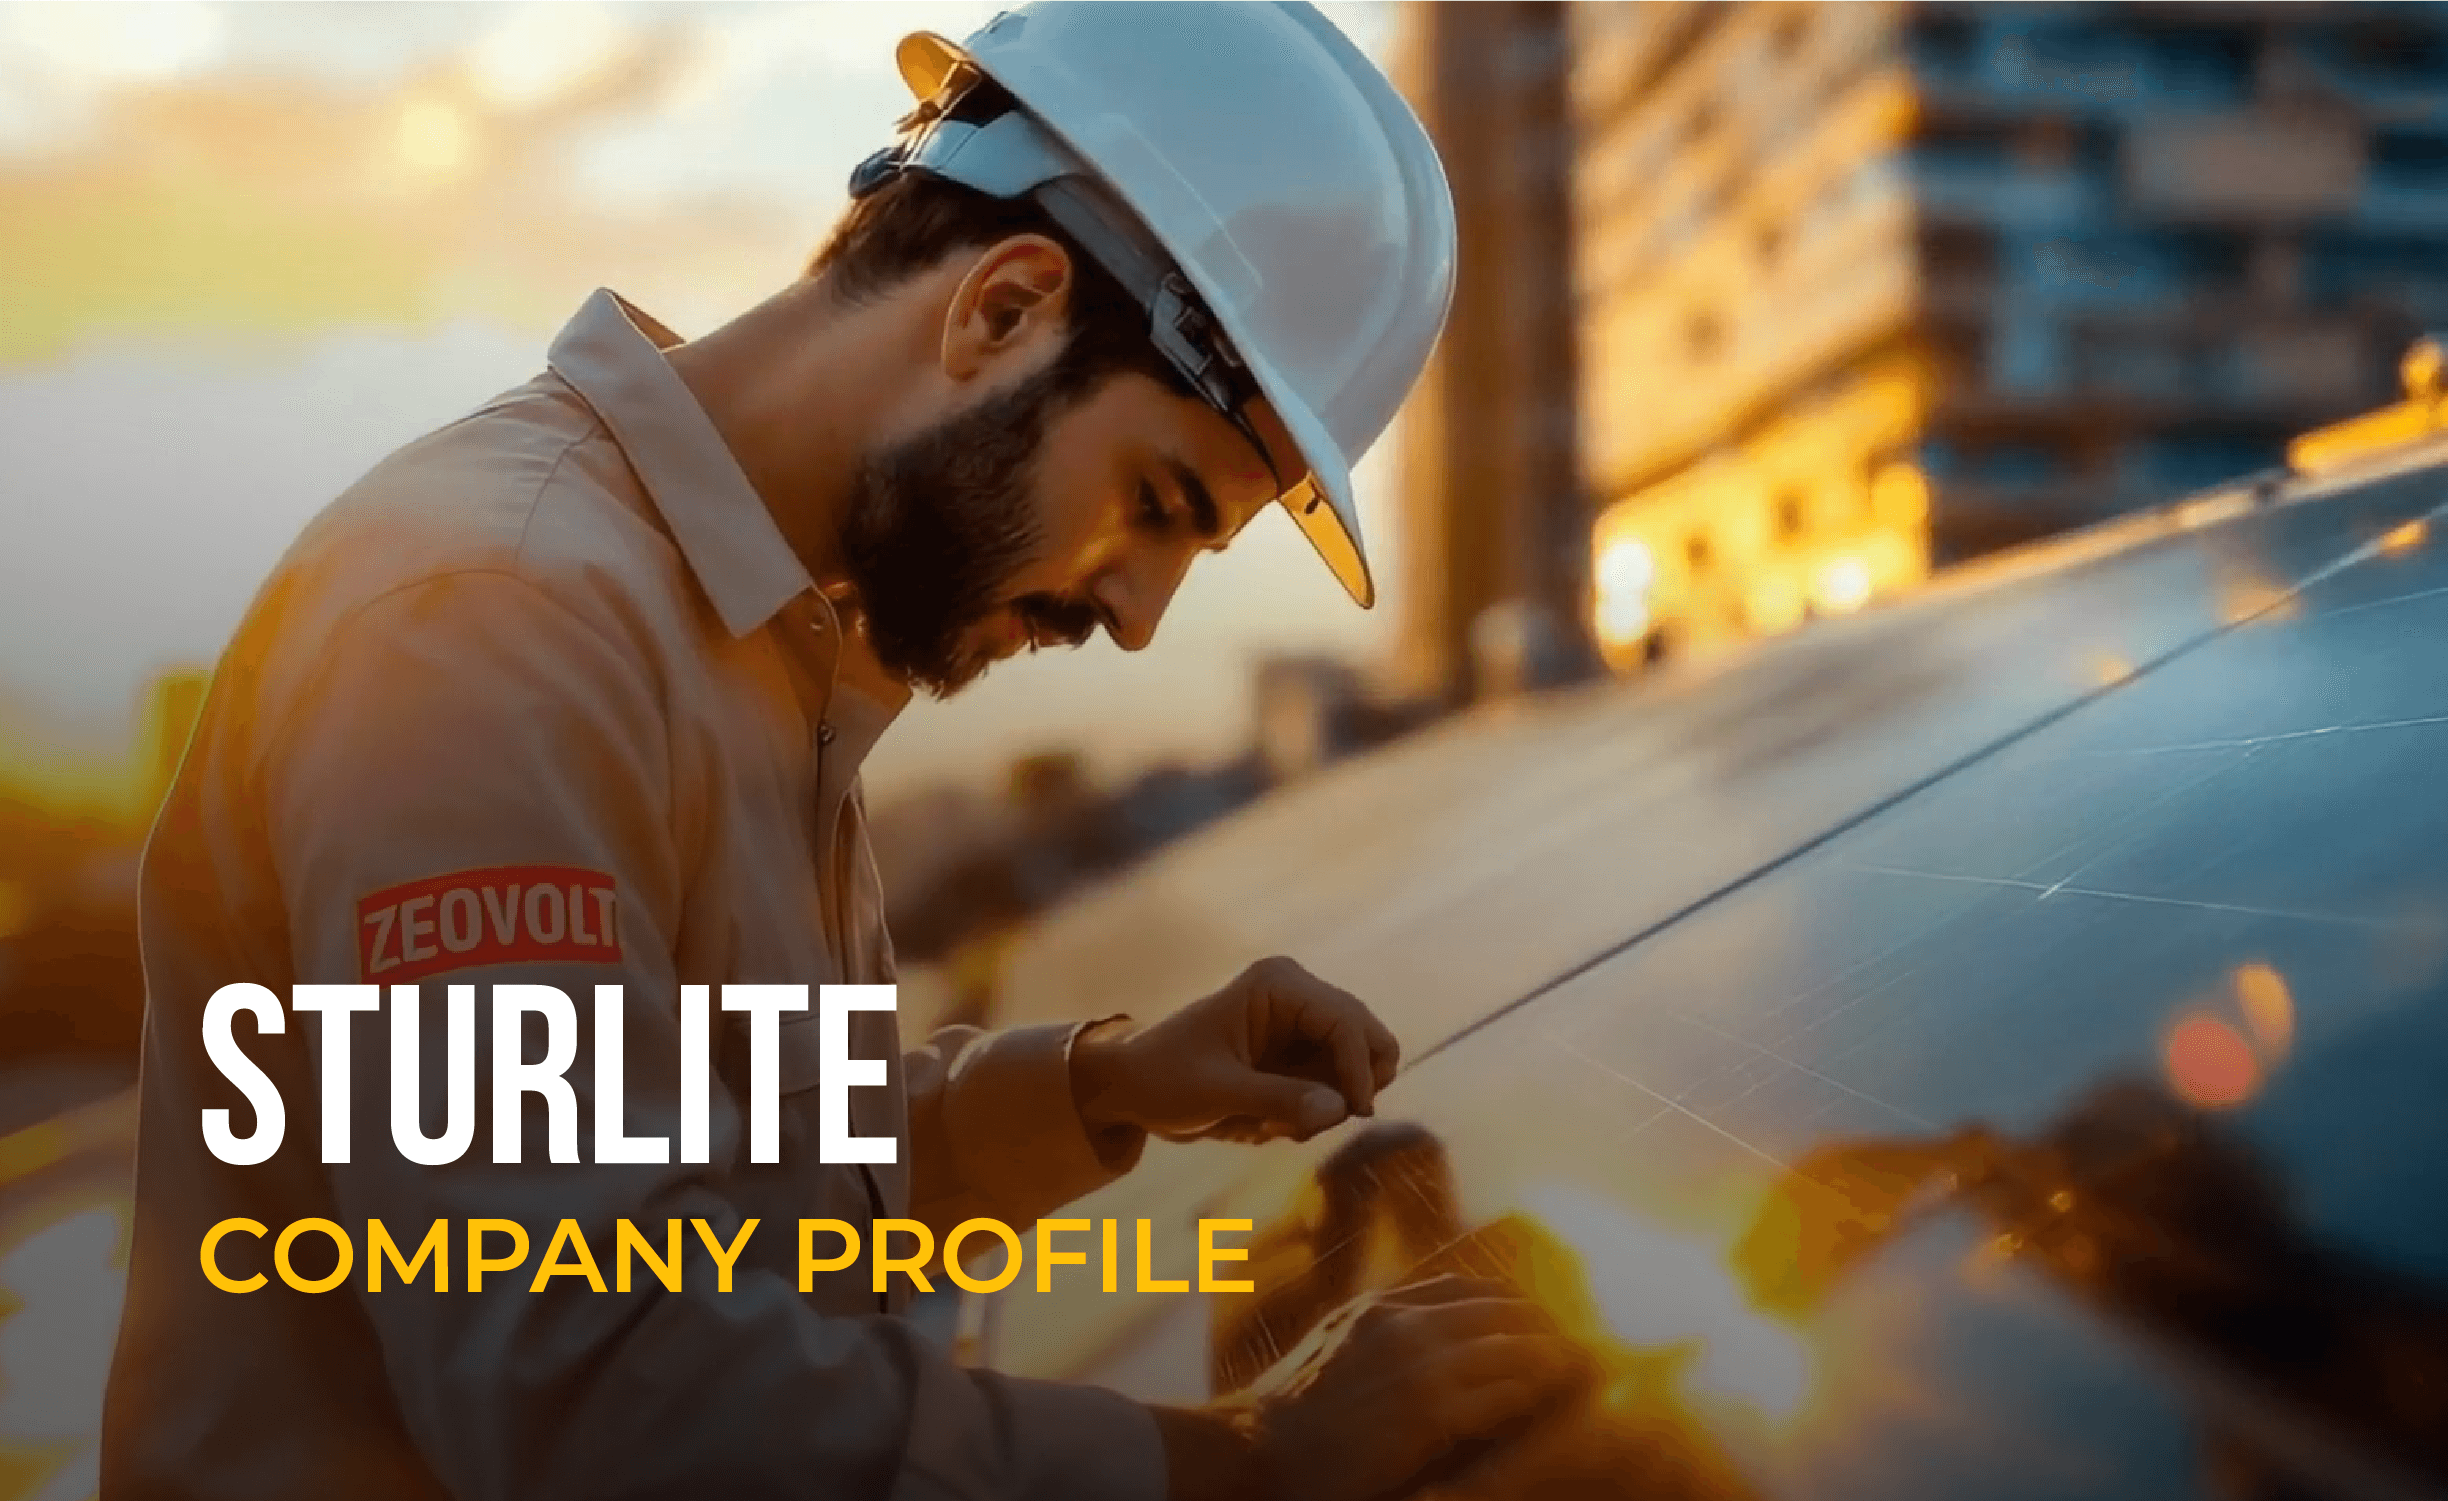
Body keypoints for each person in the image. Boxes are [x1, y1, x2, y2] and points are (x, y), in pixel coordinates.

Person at [102, 5, 1589, 1499]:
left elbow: (736, 1186)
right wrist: (1257, 1463)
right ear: (1000, 311)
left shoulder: (753, 644)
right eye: (1155, 503)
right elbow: (602, 1385)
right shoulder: (492, 628)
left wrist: (1105, 1087)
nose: (1138, 616)